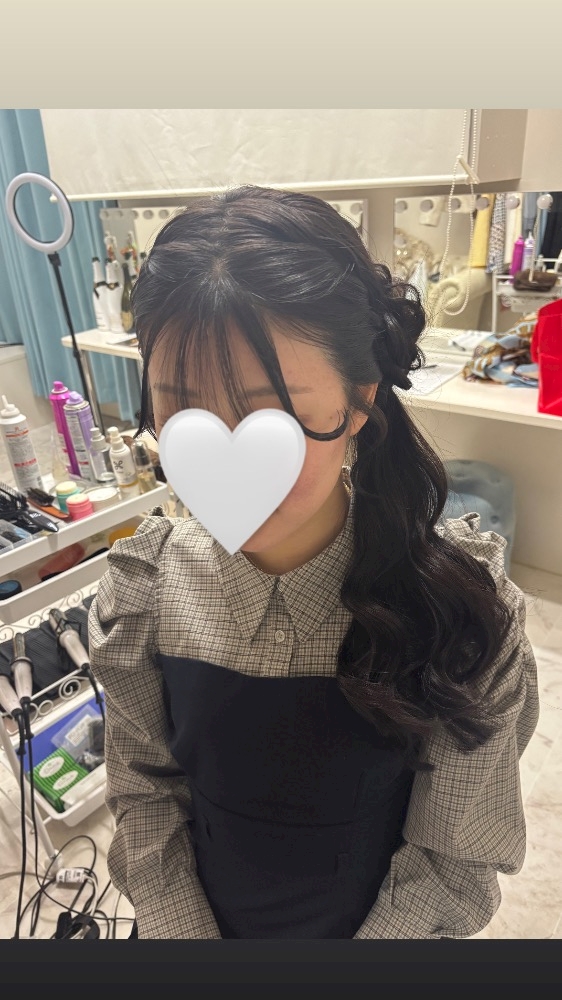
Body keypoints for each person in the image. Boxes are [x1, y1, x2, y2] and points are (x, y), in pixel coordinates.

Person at [88, 185, 539, 940]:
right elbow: (144, 797)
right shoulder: (144, 596)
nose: (226, 454)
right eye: (183, 410)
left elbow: (454, 859)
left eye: (272, 412)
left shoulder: (460, 613)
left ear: (359, 401)